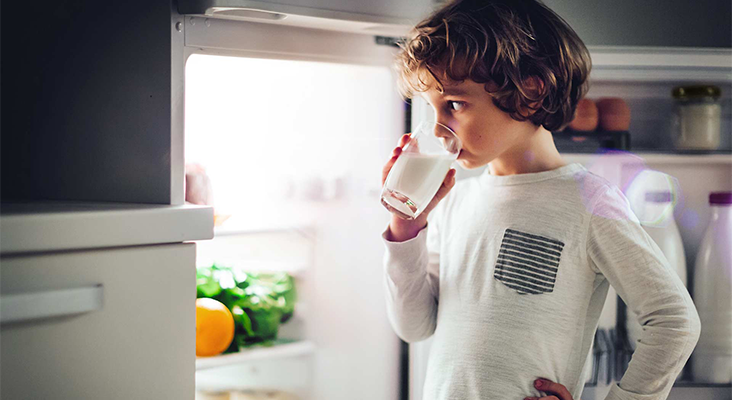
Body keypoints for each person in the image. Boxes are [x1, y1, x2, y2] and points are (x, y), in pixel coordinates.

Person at [380, 0, 701, 399]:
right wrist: (405, 228)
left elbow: (674, 320)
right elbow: (415, 326)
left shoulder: (589, 202)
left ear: (530, 92)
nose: (439, 127)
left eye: (456, 104)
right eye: (432, 108)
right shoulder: (454, 201)